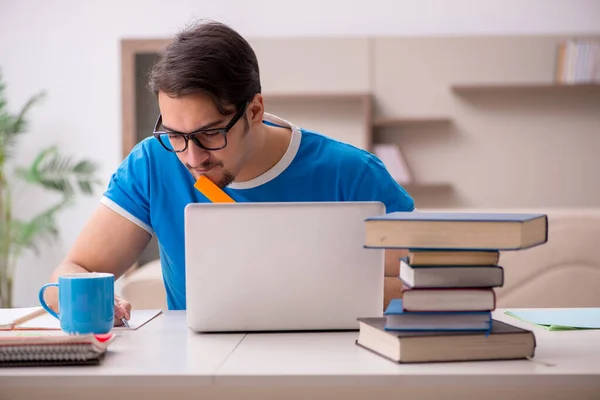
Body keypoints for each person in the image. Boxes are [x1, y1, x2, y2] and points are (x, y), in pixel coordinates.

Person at [46, 20, 415, 325]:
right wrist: (90, 297)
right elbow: (71, 271)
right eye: (176, 135)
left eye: (210, 133)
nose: (192, 158)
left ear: (254, 111)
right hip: (201, 371)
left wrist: (323, 292)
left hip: (332, 363)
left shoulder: (351, 174)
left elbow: (427, 287)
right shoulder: (153, 164)